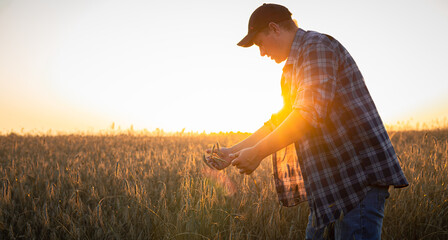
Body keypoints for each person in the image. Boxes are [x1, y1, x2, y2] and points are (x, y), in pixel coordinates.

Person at [205, 3, 408, 240]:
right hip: (329, 187)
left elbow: (307, 115)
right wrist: (232, 152)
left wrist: (258, 153)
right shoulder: (291, 69)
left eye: (260, 43)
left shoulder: (316, 48)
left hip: (357, 181)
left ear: (274, 28)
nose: (261, 53)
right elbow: (279, 122)